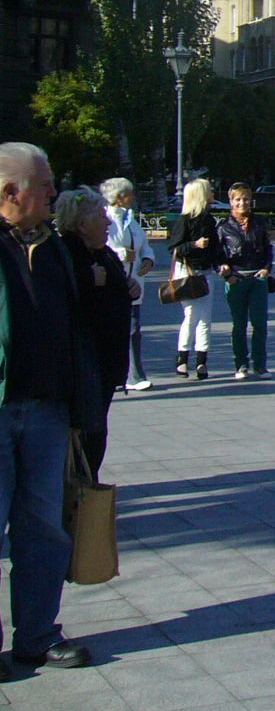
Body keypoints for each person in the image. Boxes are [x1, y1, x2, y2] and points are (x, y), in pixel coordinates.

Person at [0, 142, 95, 673]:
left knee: (43, 528)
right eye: (45, 184)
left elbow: (78, 323)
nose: (54, 192)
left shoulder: (54, 246)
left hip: (46, 410)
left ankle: (37, 635)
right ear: (10, 193)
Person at [54, 187, 135, 481]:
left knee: (96, 431)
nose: (108, 222)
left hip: (105, 363)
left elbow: (116, 285)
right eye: (101, 216)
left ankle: (85, 494)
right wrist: (88, 280)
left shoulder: (103, 252)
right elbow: (58, 299)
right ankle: (79, 499)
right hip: (84, 364)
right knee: (87, 434)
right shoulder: (65, 253)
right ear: (81, 224)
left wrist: (129, 287)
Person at [101, 177, 154, 390]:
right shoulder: (105, 219)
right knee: (114, 330)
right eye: (130, 193)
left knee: (133, 329)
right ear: (120, 197)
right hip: (113, 284)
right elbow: (102, 247)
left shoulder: (131, 221)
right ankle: (119, 375)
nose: (133, 197)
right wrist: (122, 254)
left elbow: (144, 245)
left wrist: (149, 259)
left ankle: (134, 375)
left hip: (134, 285)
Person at [218, 183, 274, 380]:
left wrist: (267, 268)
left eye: (246, 199)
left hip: (258, 279)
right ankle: (241, 364)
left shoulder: (259, 223)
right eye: (238, 199)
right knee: (239, 325)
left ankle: (260, 365)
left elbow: (268, 249)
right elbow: (218, 256)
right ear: (231, 202)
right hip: (237, 280)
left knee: (260, 323)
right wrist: (226, 273)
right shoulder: (224, 227)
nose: (242, 203)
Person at [167, 178, 220, 380]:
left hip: (205, 273)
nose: (212, 194)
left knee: (205, 318)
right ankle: (182, 359)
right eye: (208, 191)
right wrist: (194, 245)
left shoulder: (208, 220)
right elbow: (174, 249)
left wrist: (220, 264)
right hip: (187, 274)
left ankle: (201, 362)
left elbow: (215, 248)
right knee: (191, 316)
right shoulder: (184, 220)